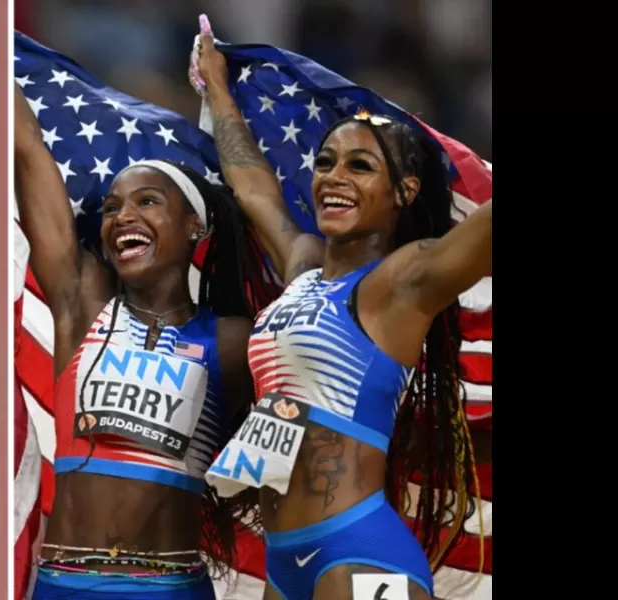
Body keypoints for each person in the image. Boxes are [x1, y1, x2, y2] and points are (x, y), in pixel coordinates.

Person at [192, 26, 490, 600]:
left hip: (359, 548)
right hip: (286, 559)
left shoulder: (405, 280)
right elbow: (253, 187)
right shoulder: (303, 267)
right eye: (326, 162)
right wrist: (219, 90)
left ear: (404, 191)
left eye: (360, 166)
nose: (334, 176)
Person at [13, 84, 276, 600]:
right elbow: (26, 146)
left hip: (170, 587)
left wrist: (219, 94)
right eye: (111, 209)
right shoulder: (82, 305)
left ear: (195, 226)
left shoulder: (231, 340)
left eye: (147, 202)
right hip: (64, 584)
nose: (122, 217)